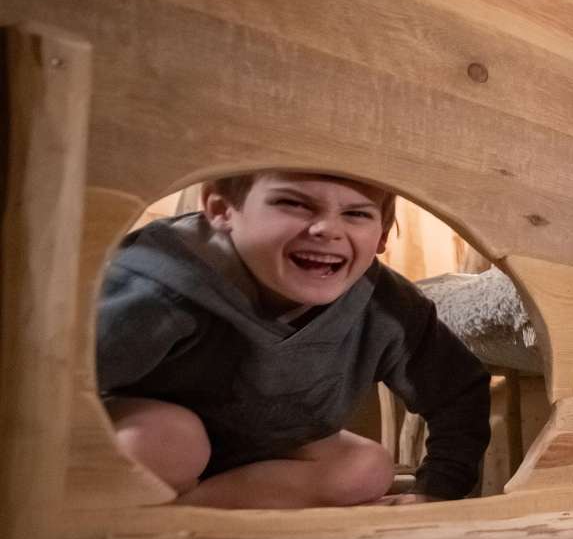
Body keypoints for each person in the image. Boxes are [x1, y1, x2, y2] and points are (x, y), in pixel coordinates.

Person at [96, 171, 490, 508]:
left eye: (356, 213)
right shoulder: (159, 283)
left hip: (262, 457)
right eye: (293, 204)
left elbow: (457, 390)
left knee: (369, 468)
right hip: (156, 442)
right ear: (221, 210)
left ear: (382, 236)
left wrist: (438, 489)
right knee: (170, 442)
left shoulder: (388, 306)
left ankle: (187, 516)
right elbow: (66, 382)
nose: (326, 229)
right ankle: (134, 513)